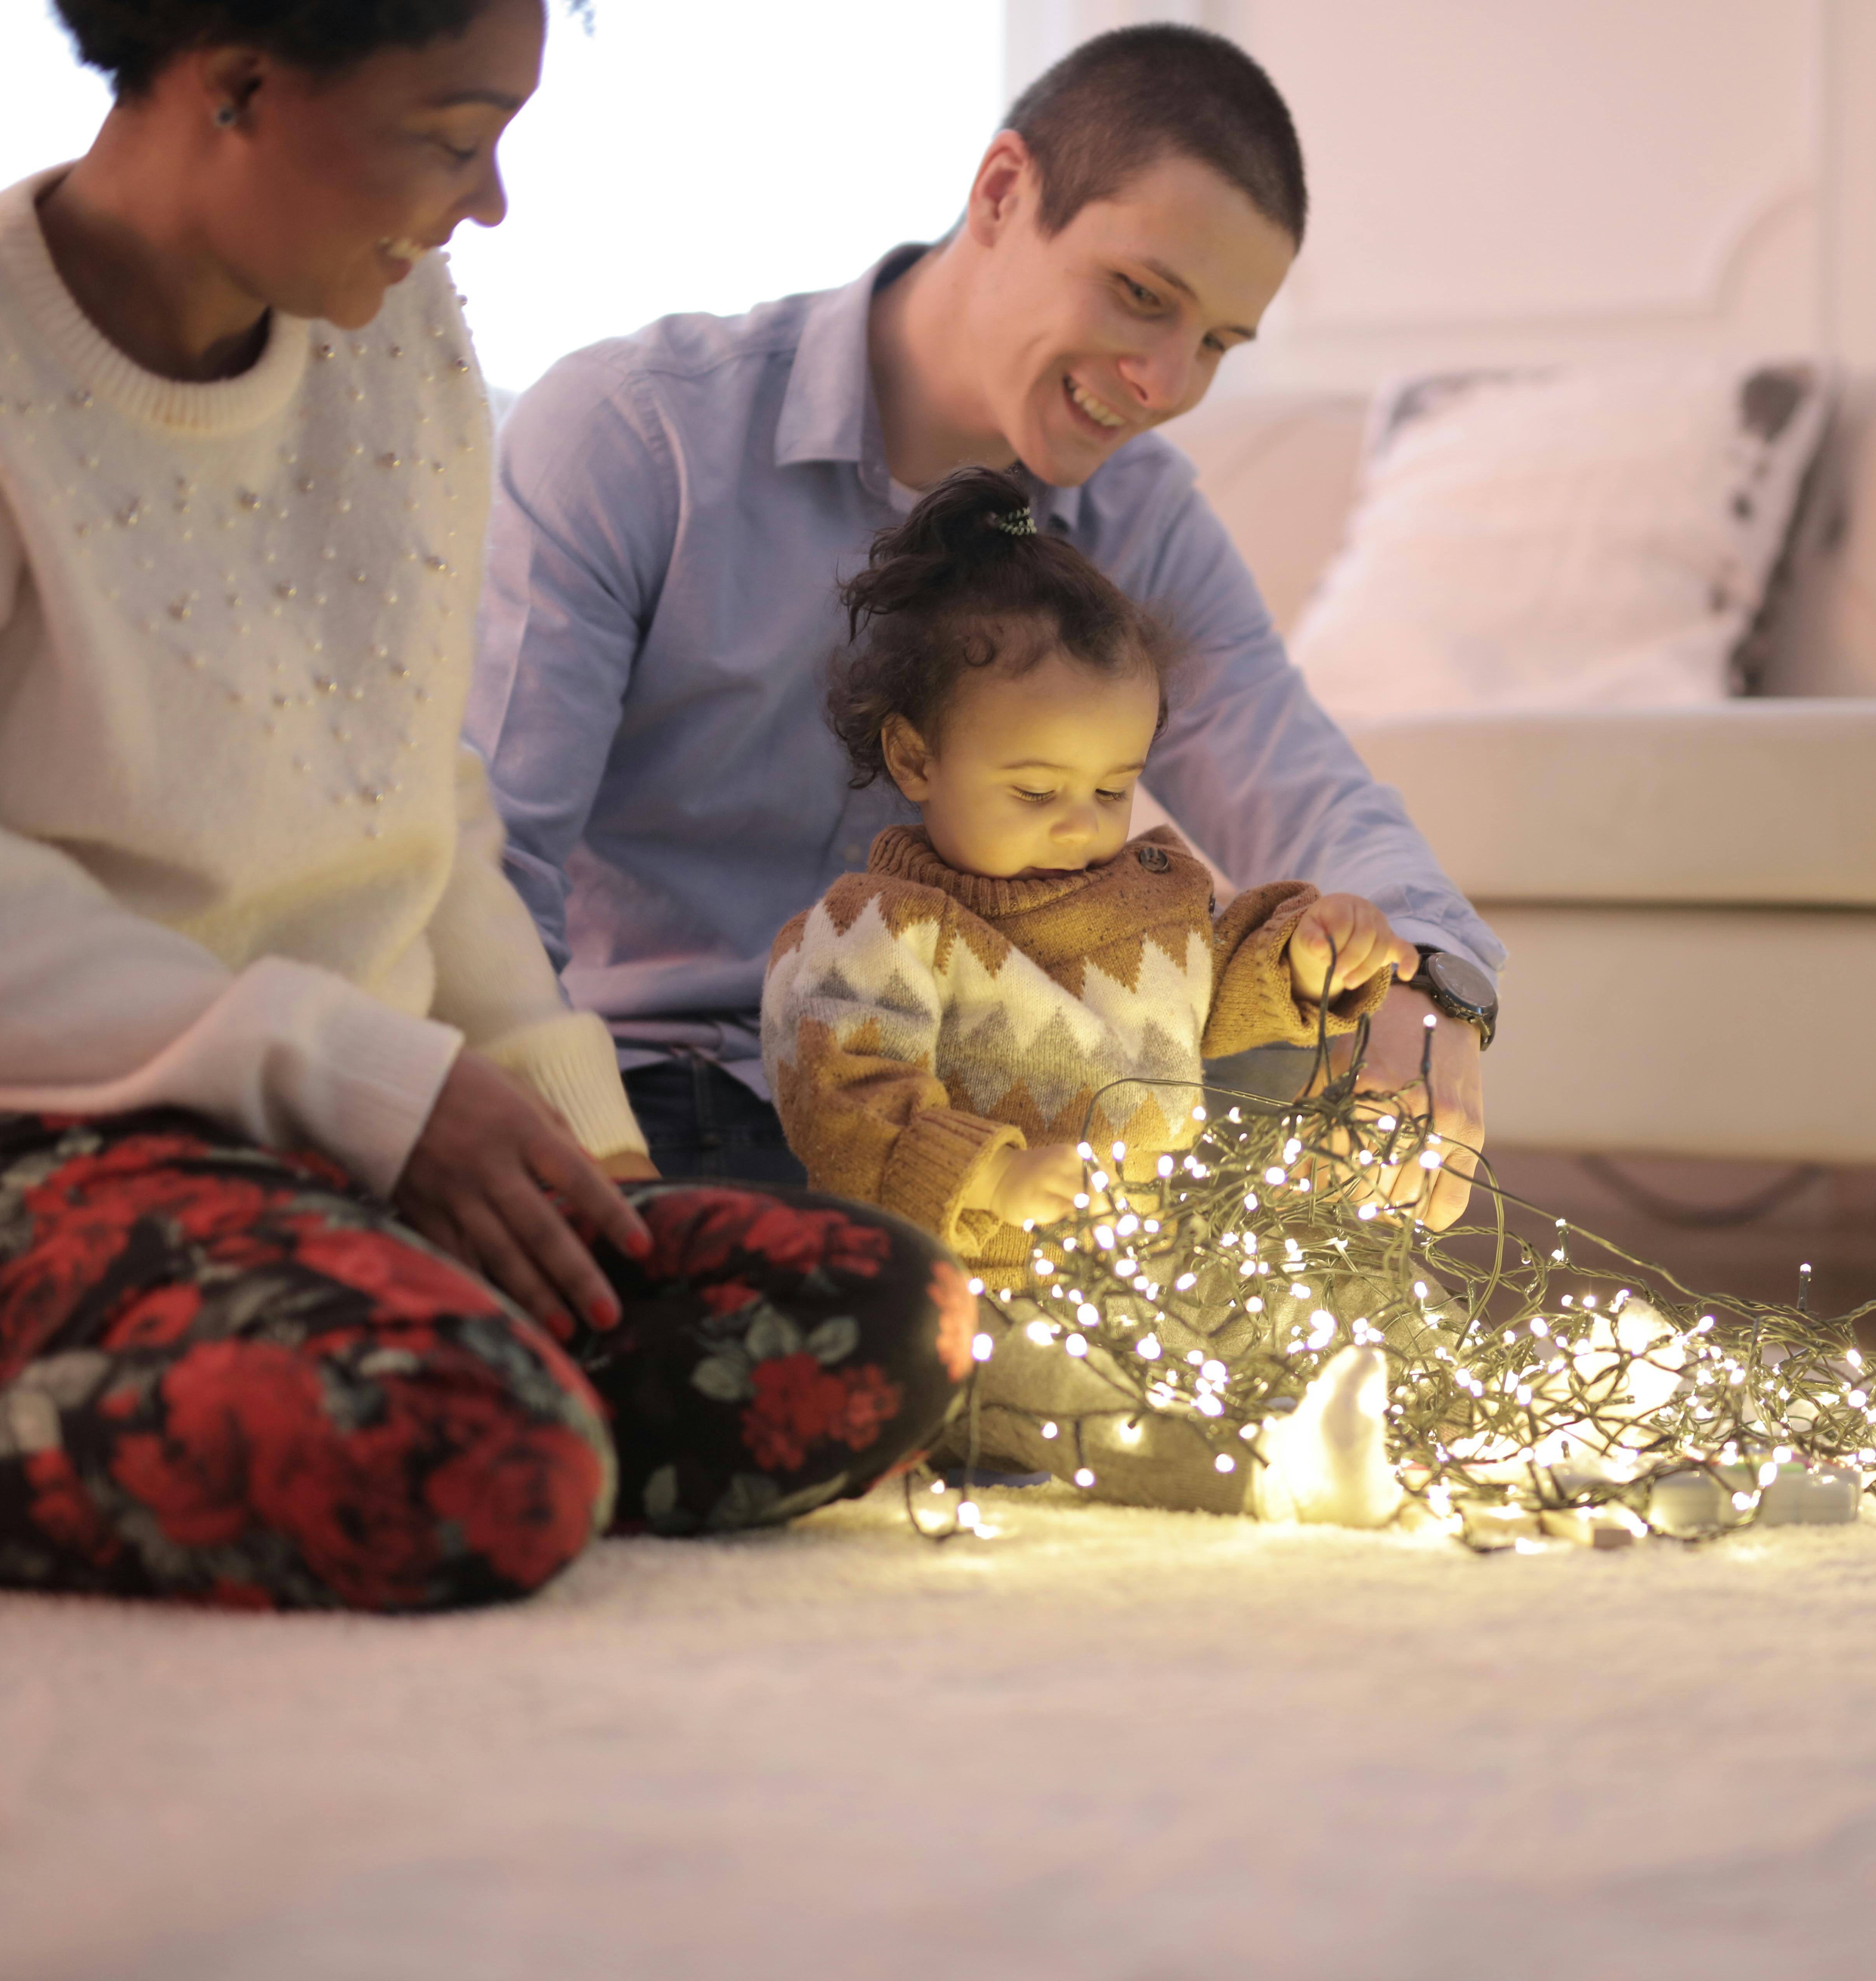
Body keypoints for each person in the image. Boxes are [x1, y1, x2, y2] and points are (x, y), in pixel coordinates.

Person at [0, 0, 966, 1610]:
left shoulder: (399, 331)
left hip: (315, 1152)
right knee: (467, 1438)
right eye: (452, 136)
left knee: (866, 1315)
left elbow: (411, 795)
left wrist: (578, 1144)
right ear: (235, 83)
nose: (490, 200)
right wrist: (366, 1077)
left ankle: (319, 1393)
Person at [470, 24, 1506, 1221]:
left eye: (1216, 343)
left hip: (1010, 1123)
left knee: (1299, 1053)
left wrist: (1430, 986)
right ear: (1004, 192)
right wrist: (573, 1168)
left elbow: (1299, 778)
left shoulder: (1139, 513)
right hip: (672, 1099)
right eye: (1139, 296)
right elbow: (493, 861)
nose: (1167, 384)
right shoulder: (639, 437)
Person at [761, 469, 1410, 1522]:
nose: (1081, 824)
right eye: (1036, 791)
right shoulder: (874, 931)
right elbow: (847, 1108)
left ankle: (1379, 1414)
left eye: (1115, 788)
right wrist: (998, 1176)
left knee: (1302, 1301)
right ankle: (1266, 1477)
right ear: (915, 756)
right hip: (967, 1292)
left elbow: (1222, 984)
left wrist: (1308, 958)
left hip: (1142, 1266)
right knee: (1068, 1399)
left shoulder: (1152, 898)